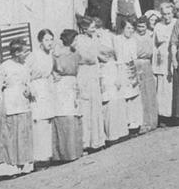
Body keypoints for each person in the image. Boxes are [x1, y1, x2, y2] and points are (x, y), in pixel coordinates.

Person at [0, 39, 35, 177]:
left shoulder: (25, 66)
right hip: (9, 101)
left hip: (23, 102)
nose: (26, 54)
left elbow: (29, 81)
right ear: (16, 52)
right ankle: (10, 169)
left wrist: (29, 90)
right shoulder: (5, 66)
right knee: (10, 135)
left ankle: (24, 166)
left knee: (23, 134)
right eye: (24, 51)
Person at [51, 30, 84, 161]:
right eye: (75, 40)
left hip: (73, 84)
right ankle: (64, 153)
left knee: (74, 115)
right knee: (65, 116)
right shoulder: (57, 54)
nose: (77, 43)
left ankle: (75, 151)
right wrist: (54, 74)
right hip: (61, 86)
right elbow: (52, 69)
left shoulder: (76, 53)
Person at [96, 17, 129, 143]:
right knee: (108, 103)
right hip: (102, 71)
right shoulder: (94, 39)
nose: (97, 33)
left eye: (98, 29)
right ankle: (110, 134)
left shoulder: (110, 37)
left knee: (116, 101)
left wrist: (119, 75)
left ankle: (120, 132)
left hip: (111, 69)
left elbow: (117, 57)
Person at [74, 16, 105, 150]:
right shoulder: (79, 40)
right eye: (92, 27)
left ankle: (97, 140)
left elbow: (97, 55)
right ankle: (86, 142)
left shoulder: (95, 38)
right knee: (86, 106)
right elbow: (84, 57)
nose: (94, 29)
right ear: (84, 28)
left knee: (95, 105)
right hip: (84, 73)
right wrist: (92, 58)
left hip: (93, 72)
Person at [27, 29, 57, 163]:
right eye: (46, 40)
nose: (49, 43)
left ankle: (47, 154)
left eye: (51, 39)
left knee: (47, 121)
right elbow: (25, 72)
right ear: (40, 41)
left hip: (47, 88)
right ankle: (38, 157)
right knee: (38, 121)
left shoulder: (50, 55)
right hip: (36, 89)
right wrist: (29, 88)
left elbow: (49, 72)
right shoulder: (33, 55)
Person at [116, 20, 143, 132]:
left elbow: (134, 57)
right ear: (122, 29)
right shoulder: (118, 40)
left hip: (132, 68)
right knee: (125, 96)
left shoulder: (133, 40)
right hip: (122, 68)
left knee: (134, 96)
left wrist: (137, 72)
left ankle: (134, 123)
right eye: (128, 28)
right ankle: (125, 123)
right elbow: (118, 57)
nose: (130, 31)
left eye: (132, 28)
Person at [132, 16, 158, 132]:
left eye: (143, 26)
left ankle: (152, 121)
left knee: (150, 93)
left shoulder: (151, 35)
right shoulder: (133, 36)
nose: (141, 29)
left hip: (148, 64)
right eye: (139, 26)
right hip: (137, 64)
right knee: (141, 93)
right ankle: (142, 122)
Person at [153, 1, 177, 123]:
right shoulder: (158, 26)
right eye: (164, 14)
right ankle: (163, 115)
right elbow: (154, 45)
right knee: (162, 88)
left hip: (173, 57)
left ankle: (174, 114)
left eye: (169, 14)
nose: (167, 17)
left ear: (173, 13)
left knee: (172, 86)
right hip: (162, 59)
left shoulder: (176, 23)